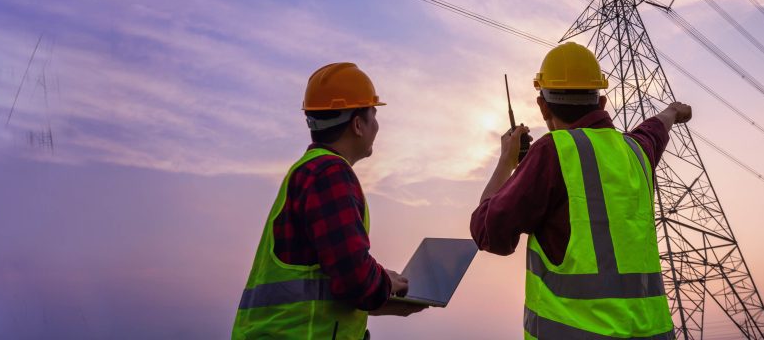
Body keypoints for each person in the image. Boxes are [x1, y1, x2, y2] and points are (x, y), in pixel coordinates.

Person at [470, 42, 689, 339]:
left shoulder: (552, 152)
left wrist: (506, 161)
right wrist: (673, 111)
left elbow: (488, 231)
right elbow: (656, 128)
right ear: (601, 103)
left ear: (542, 106)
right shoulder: (636, 151)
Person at [233, 62, 426, 340]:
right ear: (358, 125)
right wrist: (384, 283)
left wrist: (383, 284)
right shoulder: (329, 174)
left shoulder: (309, 170)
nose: (377, 124)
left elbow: (331, 277)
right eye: (373, 113)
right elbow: (353, 278)